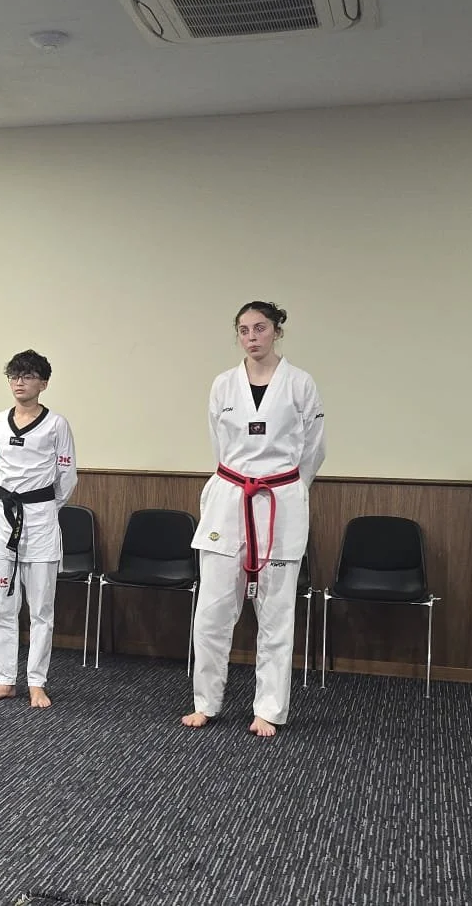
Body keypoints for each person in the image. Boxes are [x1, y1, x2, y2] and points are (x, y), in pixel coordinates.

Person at [185, 301, 326, 736]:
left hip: (280, 500)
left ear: (277, 331)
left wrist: (287, 487)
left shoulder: (300, 384)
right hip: (229, 498)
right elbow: (218, 445)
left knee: (276, 612)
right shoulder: (223, 385)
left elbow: (314, 450)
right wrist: (241, 480)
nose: (252, 336)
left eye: (260, 328)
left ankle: (268, 708)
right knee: (211, 611)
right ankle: (206, 702)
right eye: (244, 329)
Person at [0, 349, 77, 708]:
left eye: (28, 376)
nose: (19, 382)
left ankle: (36, 682)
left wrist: (44, 506)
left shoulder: (56, 425)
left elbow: (66, 477)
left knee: (41, 609)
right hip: (2, 518)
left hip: (41, 520)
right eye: (14, 376)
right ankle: (5, 679)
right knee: (3, 606)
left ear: (43, 383)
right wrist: (11, 501)